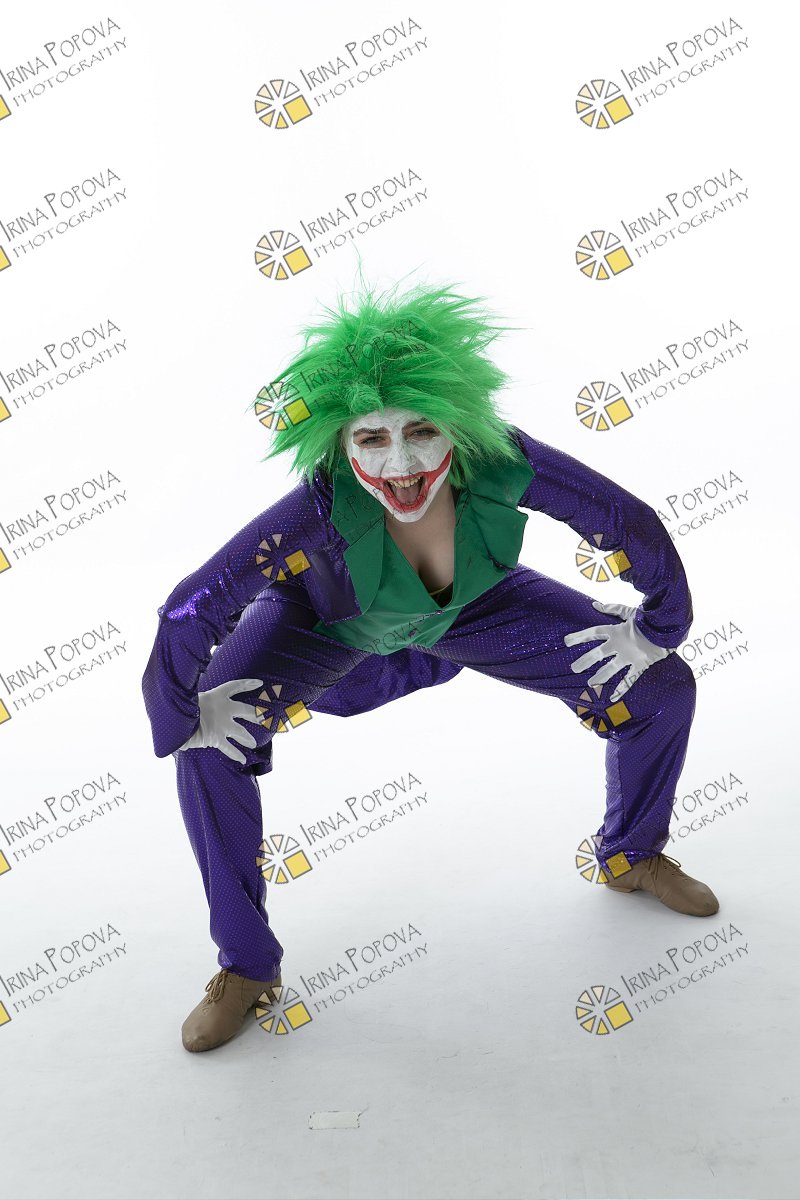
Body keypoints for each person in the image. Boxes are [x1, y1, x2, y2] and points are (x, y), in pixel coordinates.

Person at [141, 279, 718, 1054]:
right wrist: (186, 712)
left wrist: (656, 629)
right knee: (207, 752)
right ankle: (246, 967)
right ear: (341, 444)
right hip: (329, 624)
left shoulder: (500, 459)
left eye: (421, 431)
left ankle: (632, 855)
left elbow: (624, 519)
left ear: (457, 424)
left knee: (661, 685)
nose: (403, 464)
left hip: (472, 610)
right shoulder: (318, 509)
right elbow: (189, 612)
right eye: (372, 440)